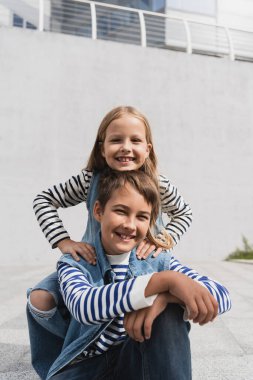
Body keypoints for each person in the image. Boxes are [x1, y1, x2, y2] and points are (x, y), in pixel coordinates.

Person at [42, 170, 231, 380]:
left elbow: (221, 296)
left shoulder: (155, 260)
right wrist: (163, 281)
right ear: (98, 211)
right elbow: (84, 307)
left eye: (141, 217)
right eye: (121, 211)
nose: (130, 225)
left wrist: (165, 297)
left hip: (134, 360)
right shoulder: (77, 261)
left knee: (168, 312)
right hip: (87, 368)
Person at [28, 106, 193, 336]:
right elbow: (43, 200)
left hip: (143, 266)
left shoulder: (158, 183)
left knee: (163, 300)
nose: (126, 147)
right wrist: (64, 242)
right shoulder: (89, 180)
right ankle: (76, 347)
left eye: (135, 140)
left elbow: (184, 212)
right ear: (102, 148)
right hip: (95, 264)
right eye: (116, 140)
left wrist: (164, 239)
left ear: (147, 149)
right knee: (40, 298)